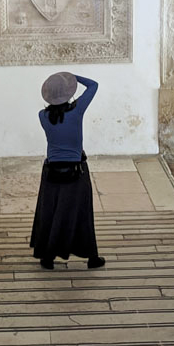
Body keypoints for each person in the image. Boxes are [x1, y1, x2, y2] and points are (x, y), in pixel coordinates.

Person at [29, 70, 105, 271]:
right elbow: (94, 85)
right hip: (76, 171)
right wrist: (73, 77)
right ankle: (91, 258)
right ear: (68, 93)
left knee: (51, 213)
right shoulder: (77, 111)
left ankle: (47, 257)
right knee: (81, 213)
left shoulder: (42, 116)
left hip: (51, 173)